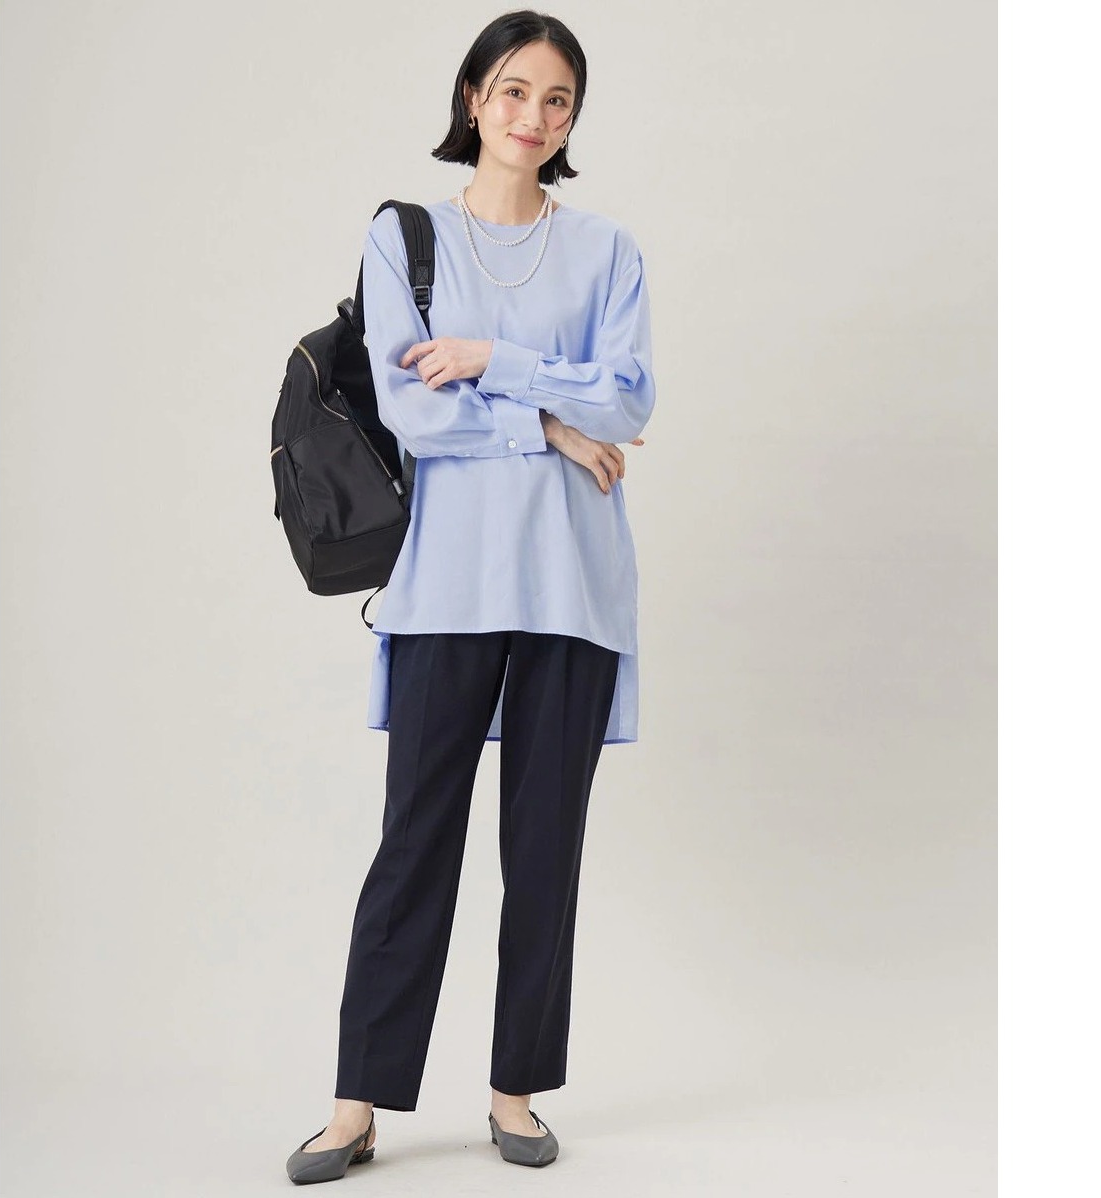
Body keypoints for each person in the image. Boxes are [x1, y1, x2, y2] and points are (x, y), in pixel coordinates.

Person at [286, 9, 655, 1184]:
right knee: (414, 844)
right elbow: (410, 408)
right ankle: (356, 1106)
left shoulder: (606, 250)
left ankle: (514, 1094)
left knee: (544, 852)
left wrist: (498, 363)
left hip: (572, 590)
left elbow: (628, 402)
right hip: (445, 583)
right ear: (471, 99)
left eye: (557, 99)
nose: (533, 117)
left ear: (572, 118)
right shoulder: (407, 238)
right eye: (513, 92)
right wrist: (550, 424)